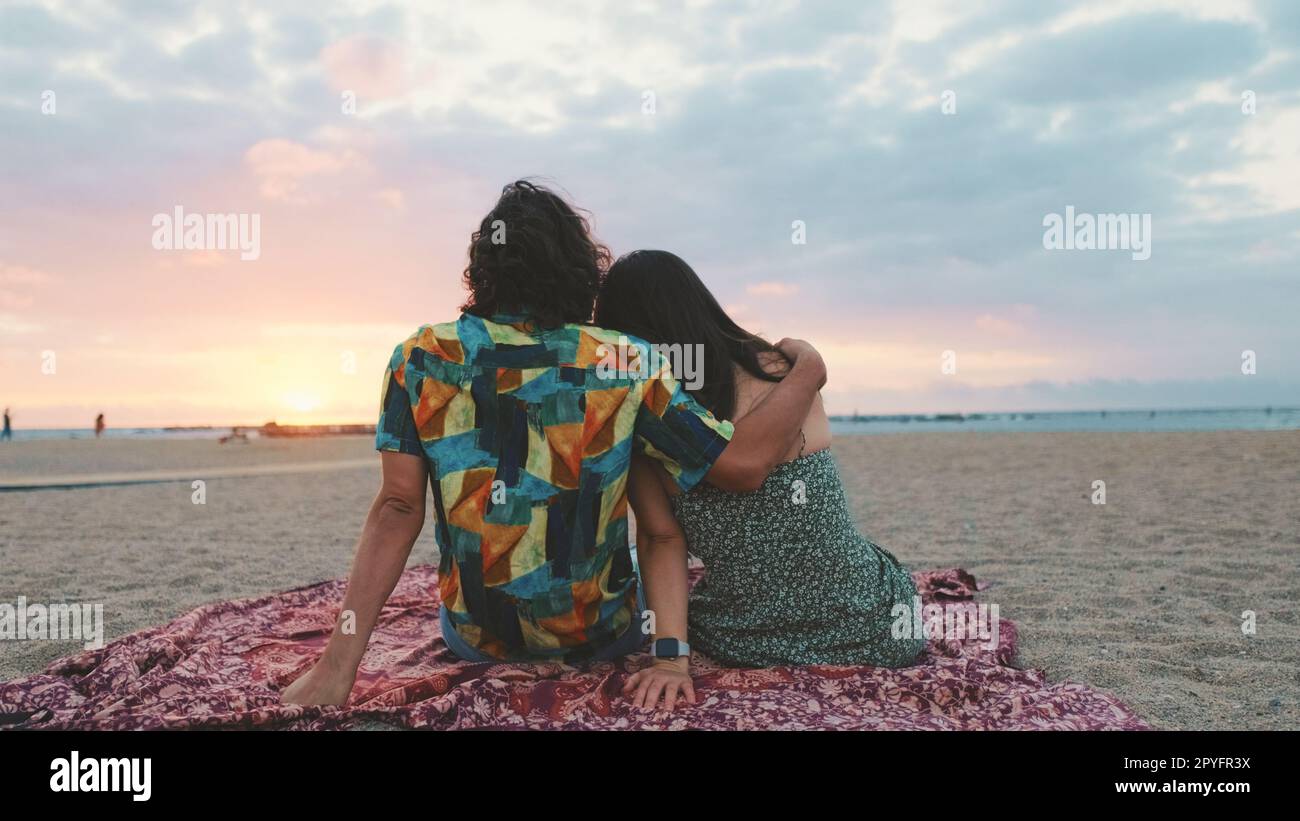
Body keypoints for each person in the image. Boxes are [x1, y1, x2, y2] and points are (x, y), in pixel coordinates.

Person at [281, 182, 824, 706]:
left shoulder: (420, 358)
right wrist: (806, 372)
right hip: (602, 637)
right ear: (580, 271)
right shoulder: (626, 361)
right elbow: (739, 465)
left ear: (483, 268)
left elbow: (399, 507)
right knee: (647, 544)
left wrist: (338, 667)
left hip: (476, 639)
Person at [595, 250, 925, 712]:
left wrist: (672, 660)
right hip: (879, 627)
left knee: (633, 561)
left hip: (745, 640)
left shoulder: (646, 423)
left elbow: (663, 536)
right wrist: (809, 364)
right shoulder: (779, 370)